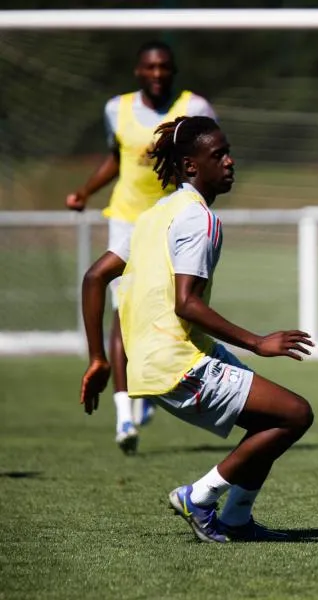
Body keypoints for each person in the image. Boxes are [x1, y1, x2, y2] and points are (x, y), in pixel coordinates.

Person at [79, 116, 315, 543]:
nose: (230, 161)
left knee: (272, 418)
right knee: (295, 414)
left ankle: (238, 520)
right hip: (177, 363)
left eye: (228, 152)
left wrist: (99, 358)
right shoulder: (198, 220)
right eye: (218, 155)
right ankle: (200, 497)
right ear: (191, 166)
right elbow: (185, 302)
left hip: (162, 358)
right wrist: (258, 342)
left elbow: (94, 277)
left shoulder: (155, 215)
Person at [65, 40, 217, 453]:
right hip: (129, 218)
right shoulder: (117, 108)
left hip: (173, 216)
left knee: (173, 305)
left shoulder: (195, 105)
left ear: (173, 70)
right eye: (149, 67)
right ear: (138, 71)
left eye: (164, 67)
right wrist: (85, 191)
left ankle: (152, 383)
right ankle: (124, 416)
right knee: (122, 308)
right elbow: (118, 158)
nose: (156, 74)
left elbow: (210, 156)